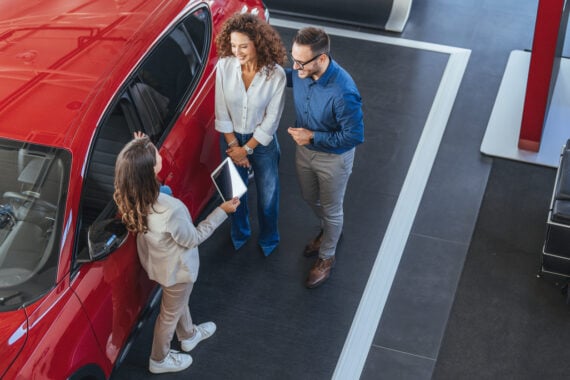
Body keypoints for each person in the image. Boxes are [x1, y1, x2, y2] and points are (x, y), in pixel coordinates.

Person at [113, 134, 239, 374]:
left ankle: (189, 334)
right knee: (168, 315)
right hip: (177, 269)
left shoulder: (131, 193)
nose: (160, 151)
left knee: (176, 303)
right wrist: (223, 211)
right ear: (150, 169)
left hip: (158, 263)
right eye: (155, 153)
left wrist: (142, 145)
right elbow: (194, 238)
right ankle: (158, 359)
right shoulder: (171, 210)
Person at [287, 27, 364, 288]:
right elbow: (288, 75)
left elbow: (354, 136)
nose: (295, 67)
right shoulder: (300, 71)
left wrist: (312, 137)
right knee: (310, 197)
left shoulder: (344, 92)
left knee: (332, 210)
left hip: (334, 159)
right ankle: (331, 231)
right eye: (292, 58)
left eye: (301, 61)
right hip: (304, 151)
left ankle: (326, 256)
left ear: (321, 59)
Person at [214, 12, 287, 256]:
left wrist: (245, 150)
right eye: (233, 45)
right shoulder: (224, 66)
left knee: (268, 198)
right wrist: (235, 146)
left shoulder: (276, 74)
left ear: (258, 43)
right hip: (229, 140)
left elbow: (271, 121)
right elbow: (221, 111)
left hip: (262, 144)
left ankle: (269, 238)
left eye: (243, 46)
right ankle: (240, 233)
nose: (237, 51)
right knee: (234, 194)